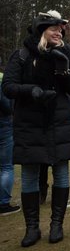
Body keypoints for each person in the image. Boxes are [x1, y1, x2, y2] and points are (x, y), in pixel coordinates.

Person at [2, 10, 70, 246]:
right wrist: (31, 90)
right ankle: (32, 228)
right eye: (54, 28)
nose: (59, 32)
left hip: (59, 120)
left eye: (61, 29)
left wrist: (64, 71)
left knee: (61, 172)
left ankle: (57, 225)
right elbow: (8, 86)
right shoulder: (22, 54)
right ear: (41, 30)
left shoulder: (66, 52)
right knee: (29, 175)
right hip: (29, 121)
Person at [0, 70, 20, 216]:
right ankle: (3, 203)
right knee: (6, 166)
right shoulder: (2, 79)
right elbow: (6, 105)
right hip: (3, 124)